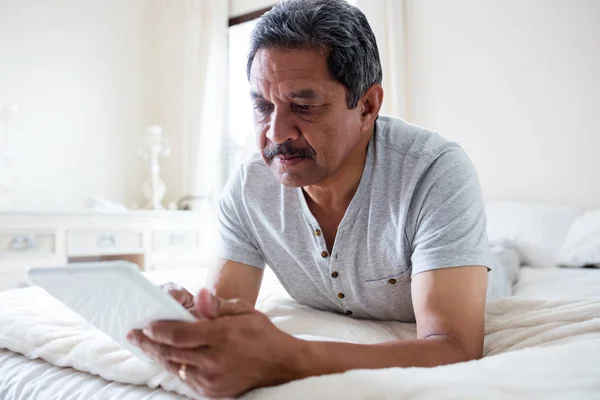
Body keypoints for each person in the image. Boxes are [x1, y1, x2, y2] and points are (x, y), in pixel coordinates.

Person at [128, 0, 514, 397]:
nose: (276, 133)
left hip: (489, 269)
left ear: (367, 106)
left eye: (304, 106)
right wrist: (183, 320)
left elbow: (455, 347)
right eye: (262, 106)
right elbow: (223, 314)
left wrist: (291, 357)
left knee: (503, 253)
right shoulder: (249, 188)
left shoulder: (435, 171)